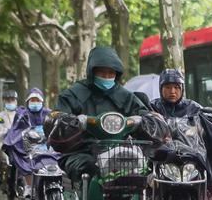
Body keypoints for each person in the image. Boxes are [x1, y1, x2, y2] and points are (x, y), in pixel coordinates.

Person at [48, 46, 150, 183]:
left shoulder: (126, 97)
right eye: (102, 73)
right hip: (82, 152)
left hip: (121, 150)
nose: (107, 77)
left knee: (145, 168)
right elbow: (57, 118)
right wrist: (74, 123)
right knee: (89, 166)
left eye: (110, 73)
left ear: (117, 74)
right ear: (92, 72)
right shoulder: (72, 95)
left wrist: (148, 121)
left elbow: (145, 115)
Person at [151, 69, 212, 200]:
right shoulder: (153, 108)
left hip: (192, 156)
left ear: (182, 89)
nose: (172, 91)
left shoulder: (194, 108)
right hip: (162, 156)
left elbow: (206, 127)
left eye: (176, 87)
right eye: (168, 87)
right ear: (161, 89)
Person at [3, 87, 54, 198]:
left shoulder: (49, 113)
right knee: (24, 159)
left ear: (42, 102)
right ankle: (29, 186)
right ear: (27, 102)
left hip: (46, 144)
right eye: (32, 100)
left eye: (37, 100)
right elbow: (16, 129)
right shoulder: (22, 114)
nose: (35, 103)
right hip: (27, 144)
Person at [0, 90, 18, 186]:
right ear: (4, 101)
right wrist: (6, 131)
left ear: (16, 101)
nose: (10, 102)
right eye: (7, 100)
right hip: (4, 143)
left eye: (12, 99)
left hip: (20, 143)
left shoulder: (22, 114)